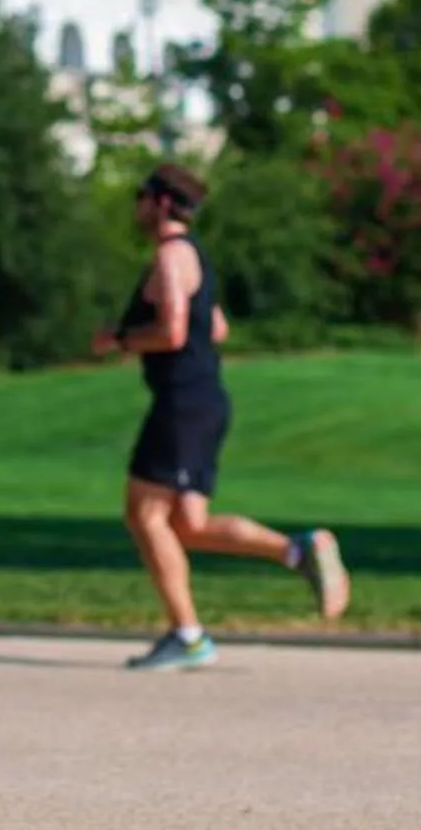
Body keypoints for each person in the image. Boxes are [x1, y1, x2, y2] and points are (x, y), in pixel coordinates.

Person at [94, 162, 348, 670]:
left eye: (142, 196)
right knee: (187, 524)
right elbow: (218, 327)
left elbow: (174, 331)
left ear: (162, 202)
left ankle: (187, 635)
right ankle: (297, 551)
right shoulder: (195, 259)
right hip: (204, 400)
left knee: (143, 515)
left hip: (182, 404)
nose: (137, 206)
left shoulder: (169, 258)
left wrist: (120, 340)